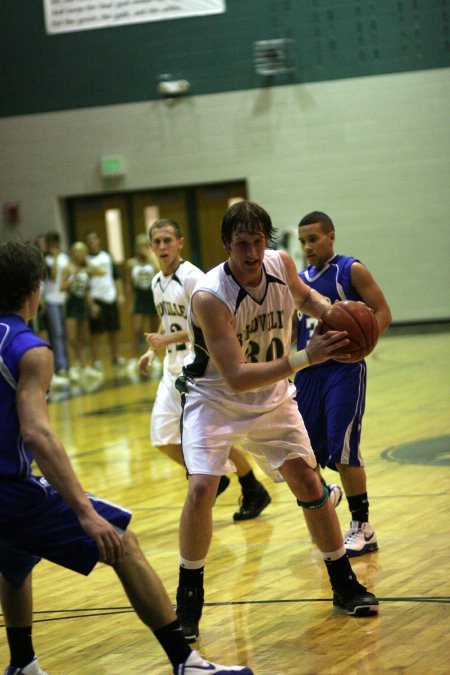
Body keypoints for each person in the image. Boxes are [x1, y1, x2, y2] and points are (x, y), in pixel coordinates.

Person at [0, 240, 254, 675]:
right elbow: (37, 433)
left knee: (14, 557)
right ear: (36, 288)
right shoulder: (29, 348)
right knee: (120, 540)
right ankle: (185, 661)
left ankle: (22, 662)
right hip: (9, 490)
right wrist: (84, 512)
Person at [174, 201, 379, 643]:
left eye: (258, 242)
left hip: (272, 398)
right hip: (216, 399)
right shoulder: (210, 295)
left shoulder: (281, 264)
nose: (251, 252)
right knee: (201, 488)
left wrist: (337, 316)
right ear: (227, 245)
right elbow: (235, 376)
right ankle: (188, 599)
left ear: (268, 240)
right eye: (242, 244)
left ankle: (343, 584)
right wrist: (308, 356)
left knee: (308, 481)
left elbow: (306, 298)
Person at [138, 218, 271, 521]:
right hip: (170, 368)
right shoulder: (156, 282)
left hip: (196, 367)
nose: (162, 247)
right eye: (156, 242)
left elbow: (206, 324)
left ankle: (251, 487)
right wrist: (152, 349)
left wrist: (166, 339)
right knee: (162, 439)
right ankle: (221, 477)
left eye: (167, 240)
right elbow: (169, 319)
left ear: (180, 243)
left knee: (212, 438)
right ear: (150, 247)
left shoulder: (192, 277)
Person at [295, 211, 392, 556]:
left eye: (313, 239)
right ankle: (327, 495)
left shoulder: (350, 269)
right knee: (301, 454)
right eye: (302, 240)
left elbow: (382, 312)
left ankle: (362, 527)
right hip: (308, 373)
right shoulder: (298, 281)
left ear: (331, 236)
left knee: (345, 449)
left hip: (343, 372)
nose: (307, 246)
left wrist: (361, 344)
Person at [59, 241, 104, 388]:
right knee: (71, 337)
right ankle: (73, 366)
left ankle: (84, 366)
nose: (78, 255)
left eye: (81, 252)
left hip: (82, 305)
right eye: (76, 252)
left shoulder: (86, 269)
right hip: (71, 304)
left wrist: (92, 306)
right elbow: (61, 287)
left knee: (82, 337)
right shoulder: (68, 268)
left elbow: (102, 272)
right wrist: (73, 278)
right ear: (72, 254)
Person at [85, 230, 126, 369]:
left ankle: (115, 356)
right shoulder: (85, 260)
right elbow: (85, 283)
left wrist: (120, 294)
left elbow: (116, 276)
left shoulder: (107, 256)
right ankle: (96, 360)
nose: (92, 243)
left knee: (113, 329)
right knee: (95, 332)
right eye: (89, 241)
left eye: (94, 239)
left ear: (99, 241)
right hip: (96, 299)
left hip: (110, 296)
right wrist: (90, 303)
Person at [125, 233, 160, 372]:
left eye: (145, 246)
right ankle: (134, 357)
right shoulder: (131, 263)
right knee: (137, 329)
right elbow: (128, 283)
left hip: (152, 295)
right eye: (140, 246)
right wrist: (130, 300)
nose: (142, 249)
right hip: (139, 296)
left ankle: (154, 357)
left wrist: (150, 256)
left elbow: (159, 271)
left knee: (153, 328)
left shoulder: (154, 260)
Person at [42, 232, 69, 377]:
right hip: (51, 299)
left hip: (64, 299)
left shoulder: (65, 257)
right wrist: (56, 258)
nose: (53, 245)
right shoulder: (47, 259)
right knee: (56, 332)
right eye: (50, 242)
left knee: (66, 333)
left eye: (55, 242)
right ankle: (61, 364)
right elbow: (52, 275)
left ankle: (68, 363)